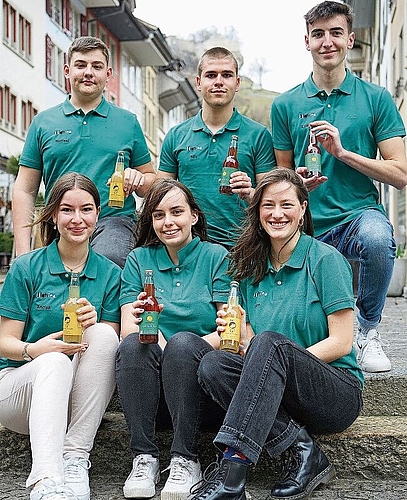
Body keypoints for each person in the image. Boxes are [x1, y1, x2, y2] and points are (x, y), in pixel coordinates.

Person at [189, 168, 363, 500]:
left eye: (286, 205)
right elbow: (252, 346)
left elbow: (341, 342)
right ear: (257, 212)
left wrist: (279, 364)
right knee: (214, 366)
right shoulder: (251, 268)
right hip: (277, 393)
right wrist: (239, 335)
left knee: (271, 345)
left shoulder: (325, 260)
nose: (277, 213)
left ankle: (232, 472)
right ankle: (301, 449)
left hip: (334, 391)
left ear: (302, 210)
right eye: (268, 205)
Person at [270, 1, 407, 373]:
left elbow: (400, 172)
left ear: (349, 39)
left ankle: (367, 331)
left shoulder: (376, 98)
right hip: (308, 221)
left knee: (379, 239)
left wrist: (343, 153)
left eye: (334, 33)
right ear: (307, 42)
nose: (326, 42)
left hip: (358, 214)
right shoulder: (285, 105)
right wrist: (300, 182)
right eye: (318, 34)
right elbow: (282, 181)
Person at [0, 173, 121, 500]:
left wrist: (98, 324)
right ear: (53, 215)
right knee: (54, 361)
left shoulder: (111, 274)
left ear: (98, 214)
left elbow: (106, 350)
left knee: (107, 336)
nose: (77, 219)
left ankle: (74, 459)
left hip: (77, 397)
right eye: (67, 210)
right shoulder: (26, 268)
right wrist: (34, 349)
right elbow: (4, 341)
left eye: (86, 209)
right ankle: (46, 480)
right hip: (19, 391)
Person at [116, 178, 231, 500]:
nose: (168, 222)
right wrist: (165, 351)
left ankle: (186, 458)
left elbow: (230, 331)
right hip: (152, 392)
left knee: (182, 343)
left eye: (176, 212)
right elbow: (129, 327)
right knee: (133, 343)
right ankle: (144, 457)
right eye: (158, 215)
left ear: (194, 216)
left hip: (199, 389)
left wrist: (179, 351)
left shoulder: (217, 257)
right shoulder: (139, 260)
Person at [13, 36, 156, 268]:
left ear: (107, 75)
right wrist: (22, 254)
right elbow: (24, 189)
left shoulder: (128, 122)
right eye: (81, 65)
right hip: (60, 222)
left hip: (114, 221)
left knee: (109, 261)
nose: (89, 72)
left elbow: (151, 181)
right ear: (67, 71)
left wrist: (139, 180)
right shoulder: (43, 122)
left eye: (97, 66)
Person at [157, 46, 275, 249]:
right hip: (188, 247)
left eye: (227, 75)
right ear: (198, 82)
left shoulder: (259, 135)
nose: (219, 82)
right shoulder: (176, 136)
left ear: (237, 83)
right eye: (211, 75)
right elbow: (159, 196)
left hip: (242, 248)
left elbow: (271, 202)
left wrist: (250, 193)